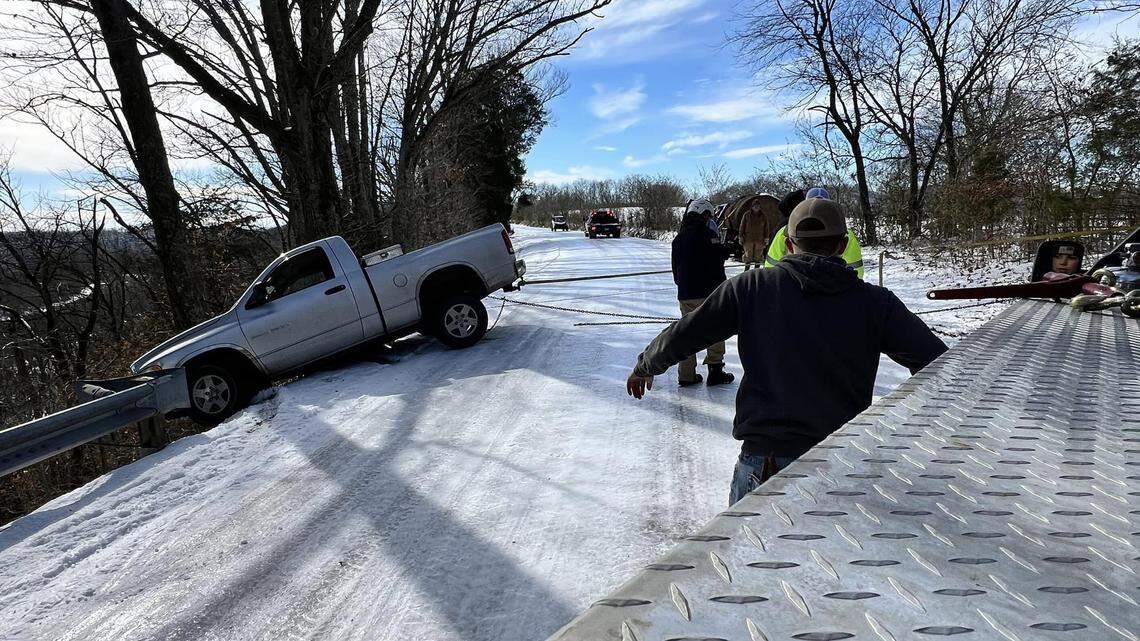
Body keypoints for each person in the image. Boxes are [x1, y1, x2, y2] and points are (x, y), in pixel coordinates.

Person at [626, 198, 947, 505]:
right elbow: (939, 364)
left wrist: (646, 365)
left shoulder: (750, 288)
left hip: (767, 463)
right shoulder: (877, 303)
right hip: (843, 459)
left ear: (789, 245)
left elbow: (686, 334)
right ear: (842, 245)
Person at [670, 198, 736, 387]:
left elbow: (675, 269)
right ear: (704, 215)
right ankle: (715, 371)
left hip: (686, 293)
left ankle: (686, 374)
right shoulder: (708, 235)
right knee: (715, 329)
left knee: (688, 332)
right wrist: (727, 248)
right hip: (710, 292)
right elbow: (718, 257)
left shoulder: (678, 239)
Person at [766, 187, 865, 278]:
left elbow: (771, 263)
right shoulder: (845, 232)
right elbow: (856, 267)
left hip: (794, 280)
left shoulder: (786, 231)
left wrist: (776, 283)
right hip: (834, 283)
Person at [738, 194, 781, 270]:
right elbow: (742, 226)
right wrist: (741, 236)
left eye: (758, 206)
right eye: (755, 206)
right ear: (752, 207)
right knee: (748, 255)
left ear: (760, 207)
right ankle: (746, 270)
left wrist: (766, 238)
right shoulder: (747, 215)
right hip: (748, 239)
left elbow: (766, 228)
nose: (756, 207)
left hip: (760, 239)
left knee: (758, 256)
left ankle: (756, 270)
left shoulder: (763, 216)